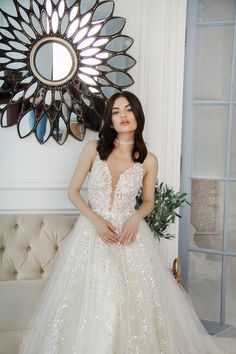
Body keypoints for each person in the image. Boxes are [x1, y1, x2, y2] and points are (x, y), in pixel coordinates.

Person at [19, 91, 230, 354]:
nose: (123, 116)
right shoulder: (93, 150)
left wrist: (134, 219)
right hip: (93, 234)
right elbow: (72, 191)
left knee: (129, 302)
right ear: (109, 121)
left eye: (128, 110)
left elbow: (148, 202)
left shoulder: (148, 159)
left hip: (129, 235)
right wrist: (96, 221)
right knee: (102, 297)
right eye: (116, 112)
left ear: (138, 115)